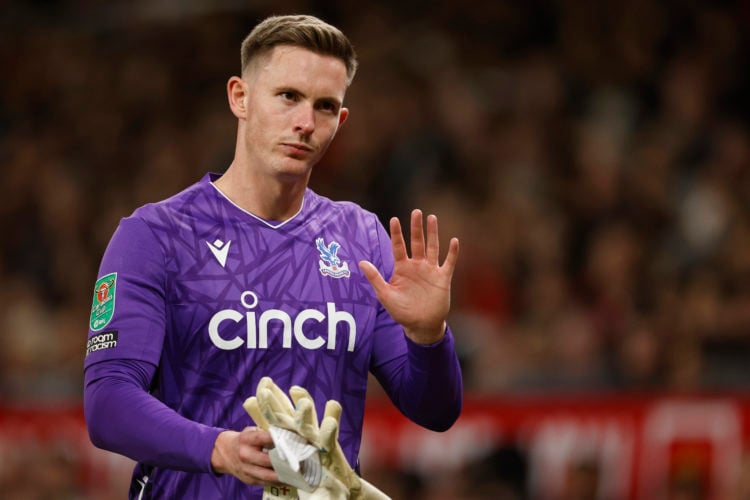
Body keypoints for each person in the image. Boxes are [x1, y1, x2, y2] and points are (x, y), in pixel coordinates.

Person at [83, 14, 462, 499]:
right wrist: (219, 448)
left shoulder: (361, 238)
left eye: (325, 106)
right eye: (288, 97)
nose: (305, 122)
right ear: (240, 97)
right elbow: (108, 404)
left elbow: (435, 410)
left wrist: (428, 338)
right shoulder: (156, 236)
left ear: (340, 120)